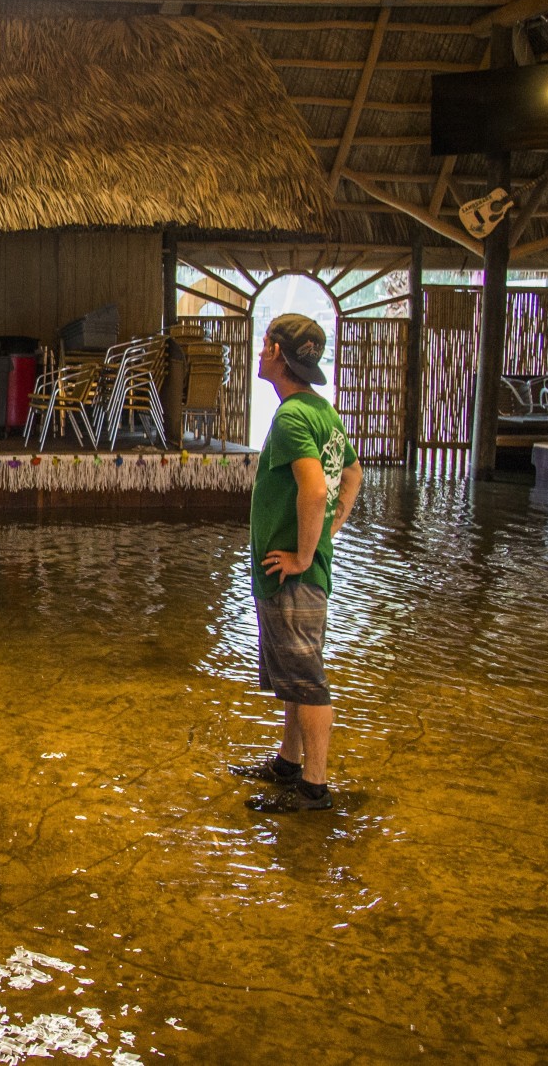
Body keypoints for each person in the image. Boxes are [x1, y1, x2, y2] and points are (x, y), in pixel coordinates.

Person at [234, 314, 362, 813]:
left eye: (265, 343)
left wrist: (305, 553)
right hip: (302, 570)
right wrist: (332, 528)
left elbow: (315, 487)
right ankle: (288, 762)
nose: (259, 350)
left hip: (295, 573)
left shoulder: (290, 418)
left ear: (278, 354)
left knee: (307, 679)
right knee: (294, 671)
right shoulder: (320, 411)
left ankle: (314, 787)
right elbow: (351, 472)